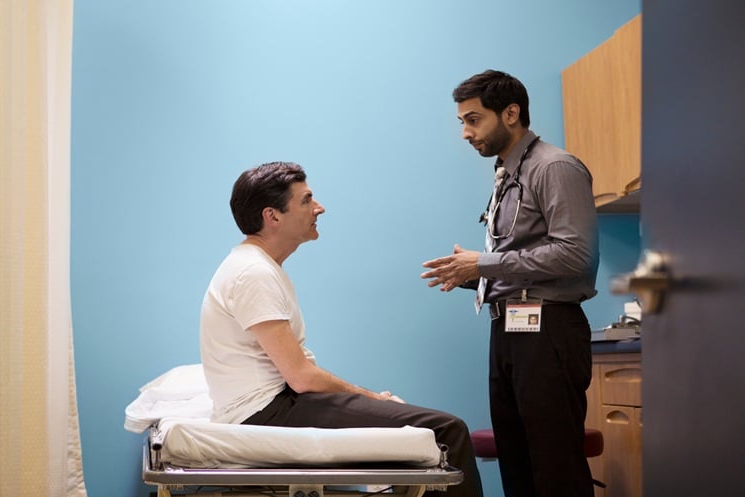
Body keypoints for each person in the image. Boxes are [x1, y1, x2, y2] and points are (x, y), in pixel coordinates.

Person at [200, 161, 483, 497]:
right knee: (445, 432)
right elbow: (302, 377)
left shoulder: (256, 266)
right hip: (265, 414)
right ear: (272, 216)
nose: (319, 208)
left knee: (416, 428)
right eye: (306, 201)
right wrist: (370, 397)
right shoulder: (253, 274)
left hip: (273, 406)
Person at [421, 70, 599, 497]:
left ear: (511, 113)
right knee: (516, 462)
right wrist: (468, 273)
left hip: (549, 329)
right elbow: (522, 255)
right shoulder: (508, 172)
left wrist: (483, 264)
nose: (465, 132)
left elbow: (575, 254)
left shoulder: (554, 167)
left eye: (473, 119)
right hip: (510, 329)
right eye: (463, 121)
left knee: (554, 466)